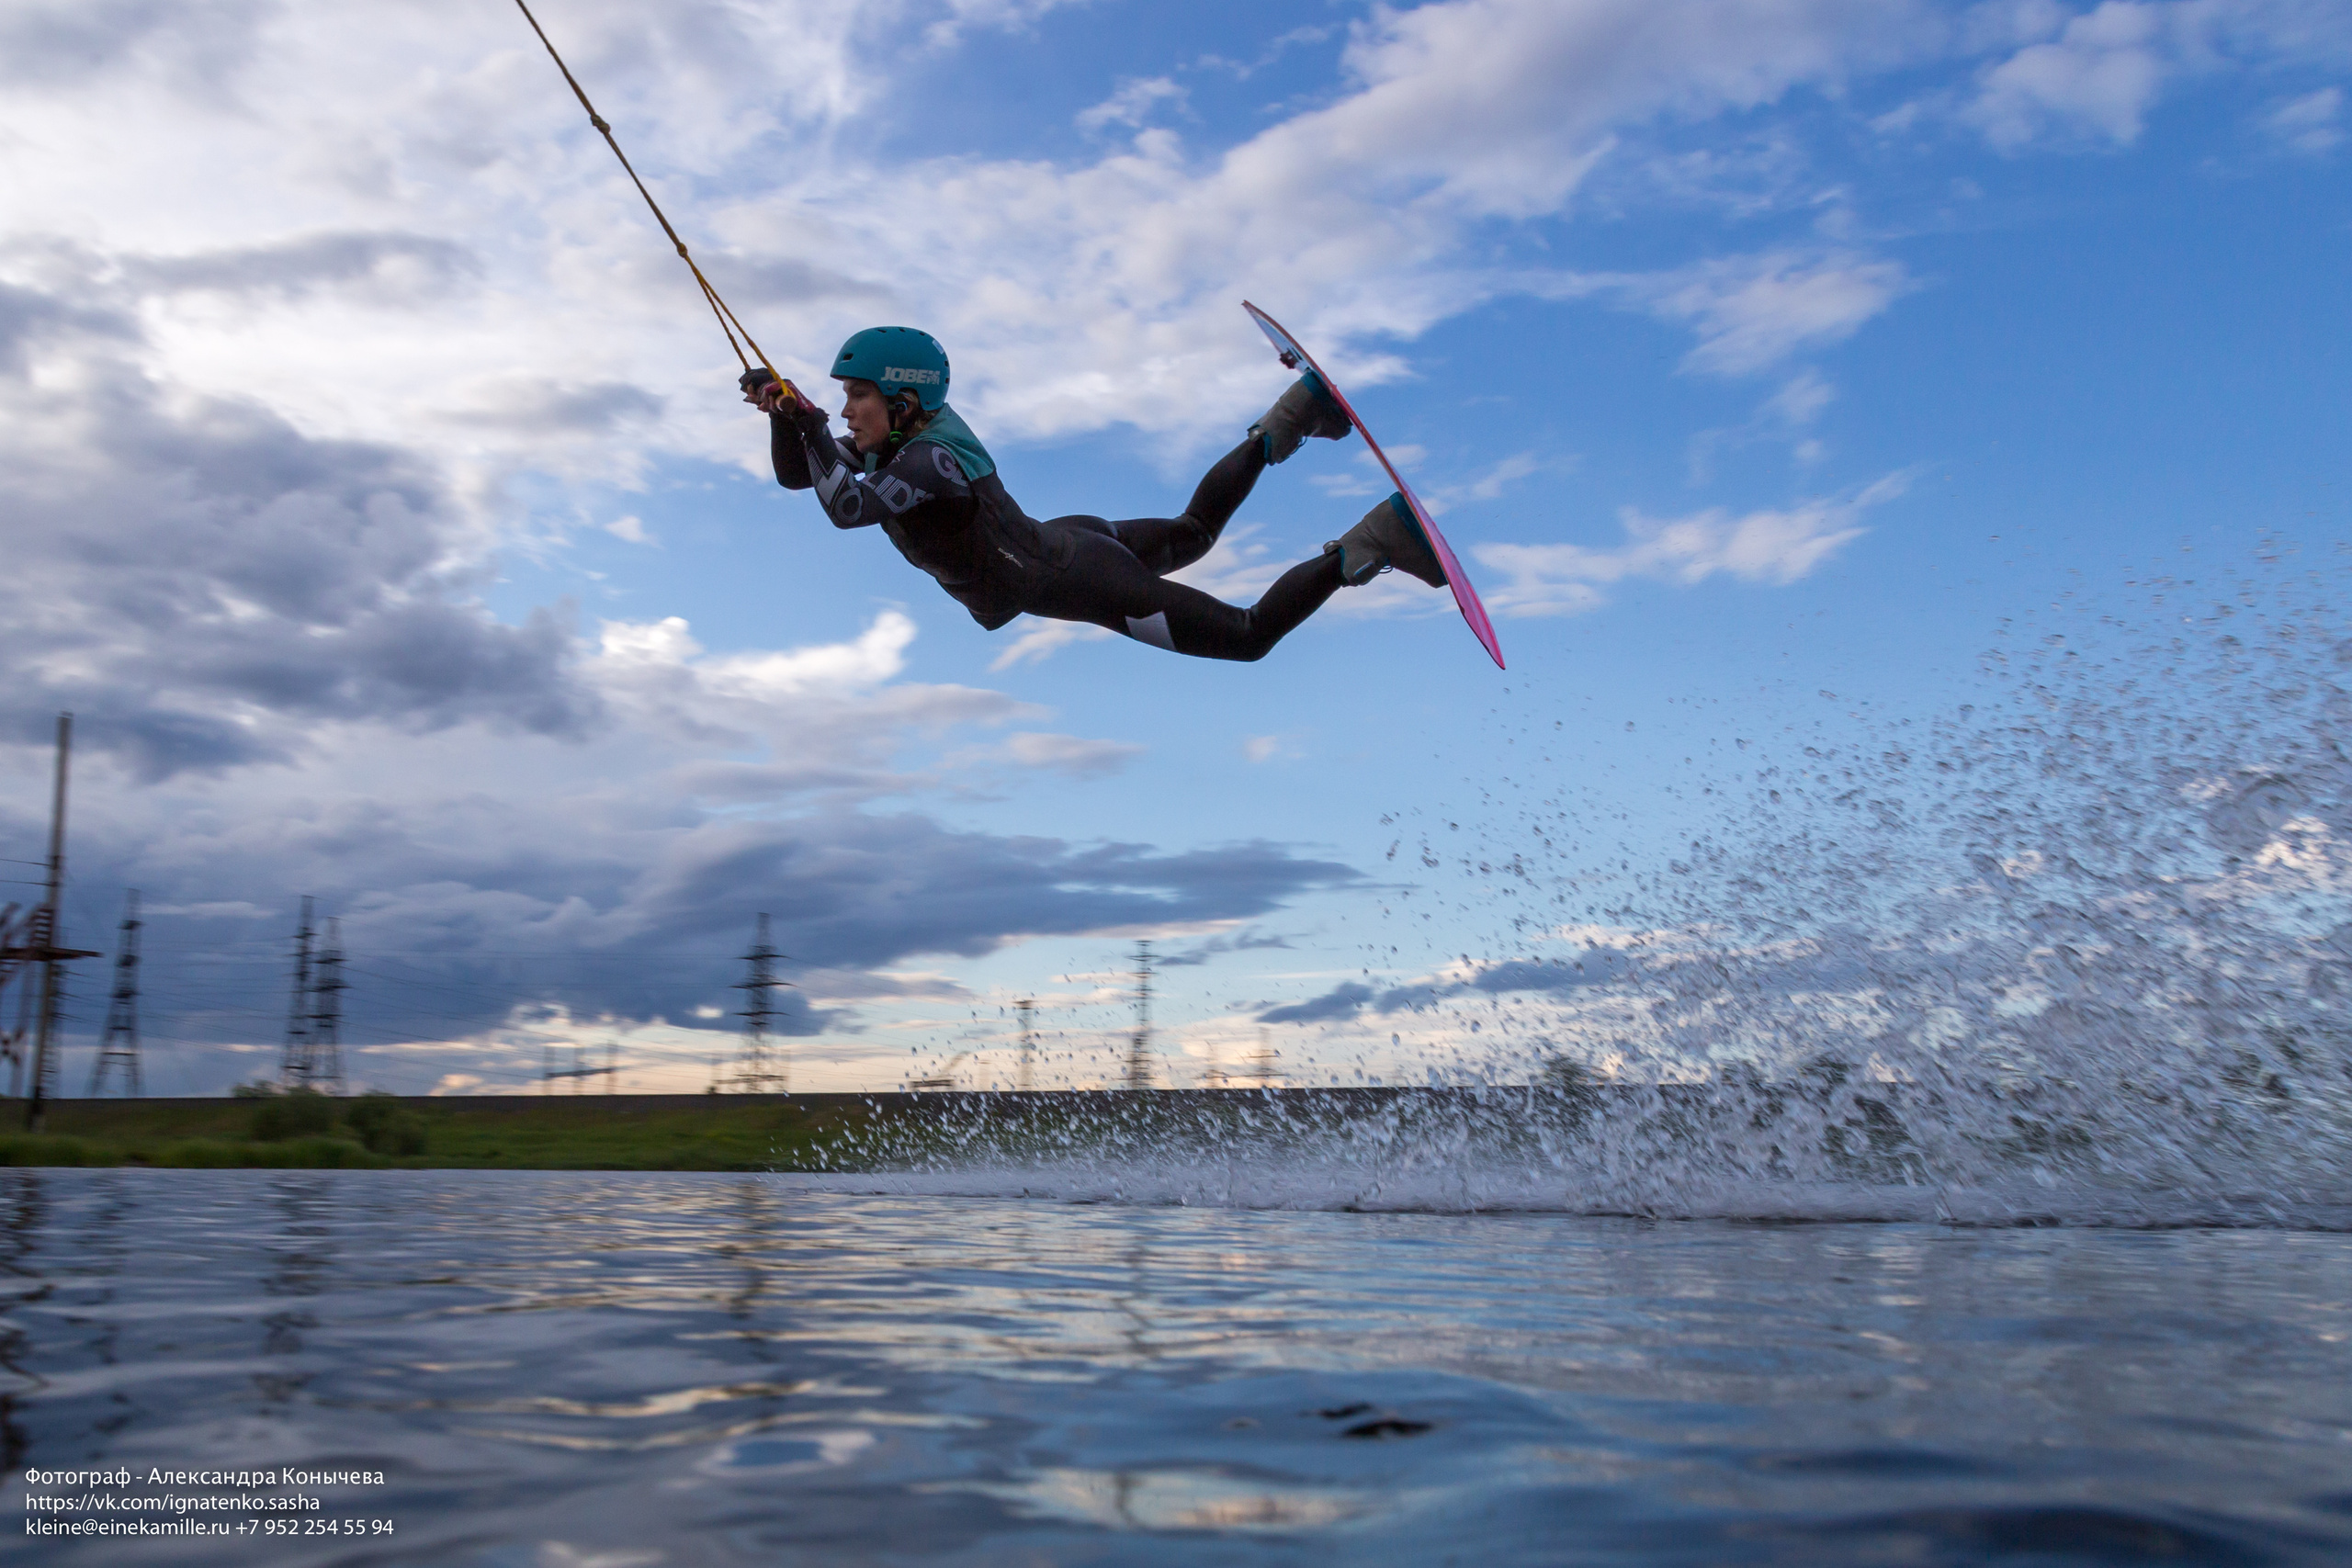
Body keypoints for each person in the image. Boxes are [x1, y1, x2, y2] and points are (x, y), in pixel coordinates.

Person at [741, 326, 1446, 661]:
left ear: (903, 399)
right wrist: (785, 415)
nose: (844, 412)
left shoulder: (928, 462)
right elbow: (803, 473)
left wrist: (807, 421)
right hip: (1068, 542)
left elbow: (846, 508)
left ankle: (1372, 541)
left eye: (856, 396)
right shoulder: (901, 441)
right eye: (841, 399)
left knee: (1248, 636)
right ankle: (1295, 415)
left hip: (1085, 578)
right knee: (1194, 531)